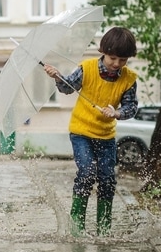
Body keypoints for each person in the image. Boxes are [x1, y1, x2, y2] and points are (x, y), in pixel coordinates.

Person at [43, 27, 138, 236]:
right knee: (86, 173)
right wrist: (57, 77)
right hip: (81, 132)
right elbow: (67, 88)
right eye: (113, 58)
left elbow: (131, 107)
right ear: (103, 52)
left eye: (123, 60)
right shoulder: (86, 69)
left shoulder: (129, 79)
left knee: (107, 179)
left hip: (106, 136)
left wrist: (118, 113)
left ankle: (103, 229)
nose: (117, 64)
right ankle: (77, 228)